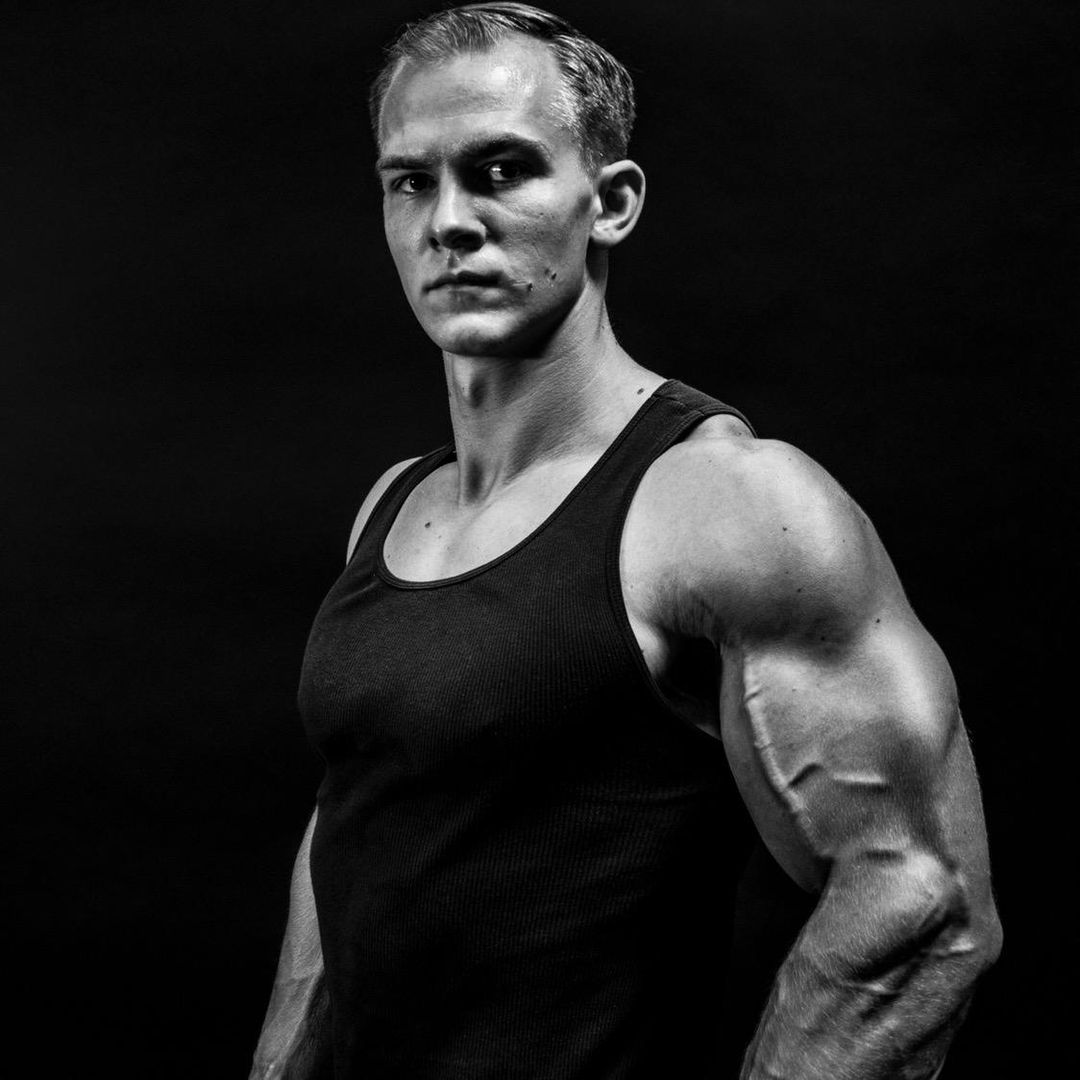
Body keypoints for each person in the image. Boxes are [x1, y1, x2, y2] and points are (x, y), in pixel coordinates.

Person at [249, 5, 1001, 1078]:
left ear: (610, 205)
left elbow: (922, 907)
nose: (449, 221)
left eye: (501, 169)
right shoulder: (393, 505)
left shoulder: (723, 504)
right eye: (411, 181)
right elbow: (353, 830)